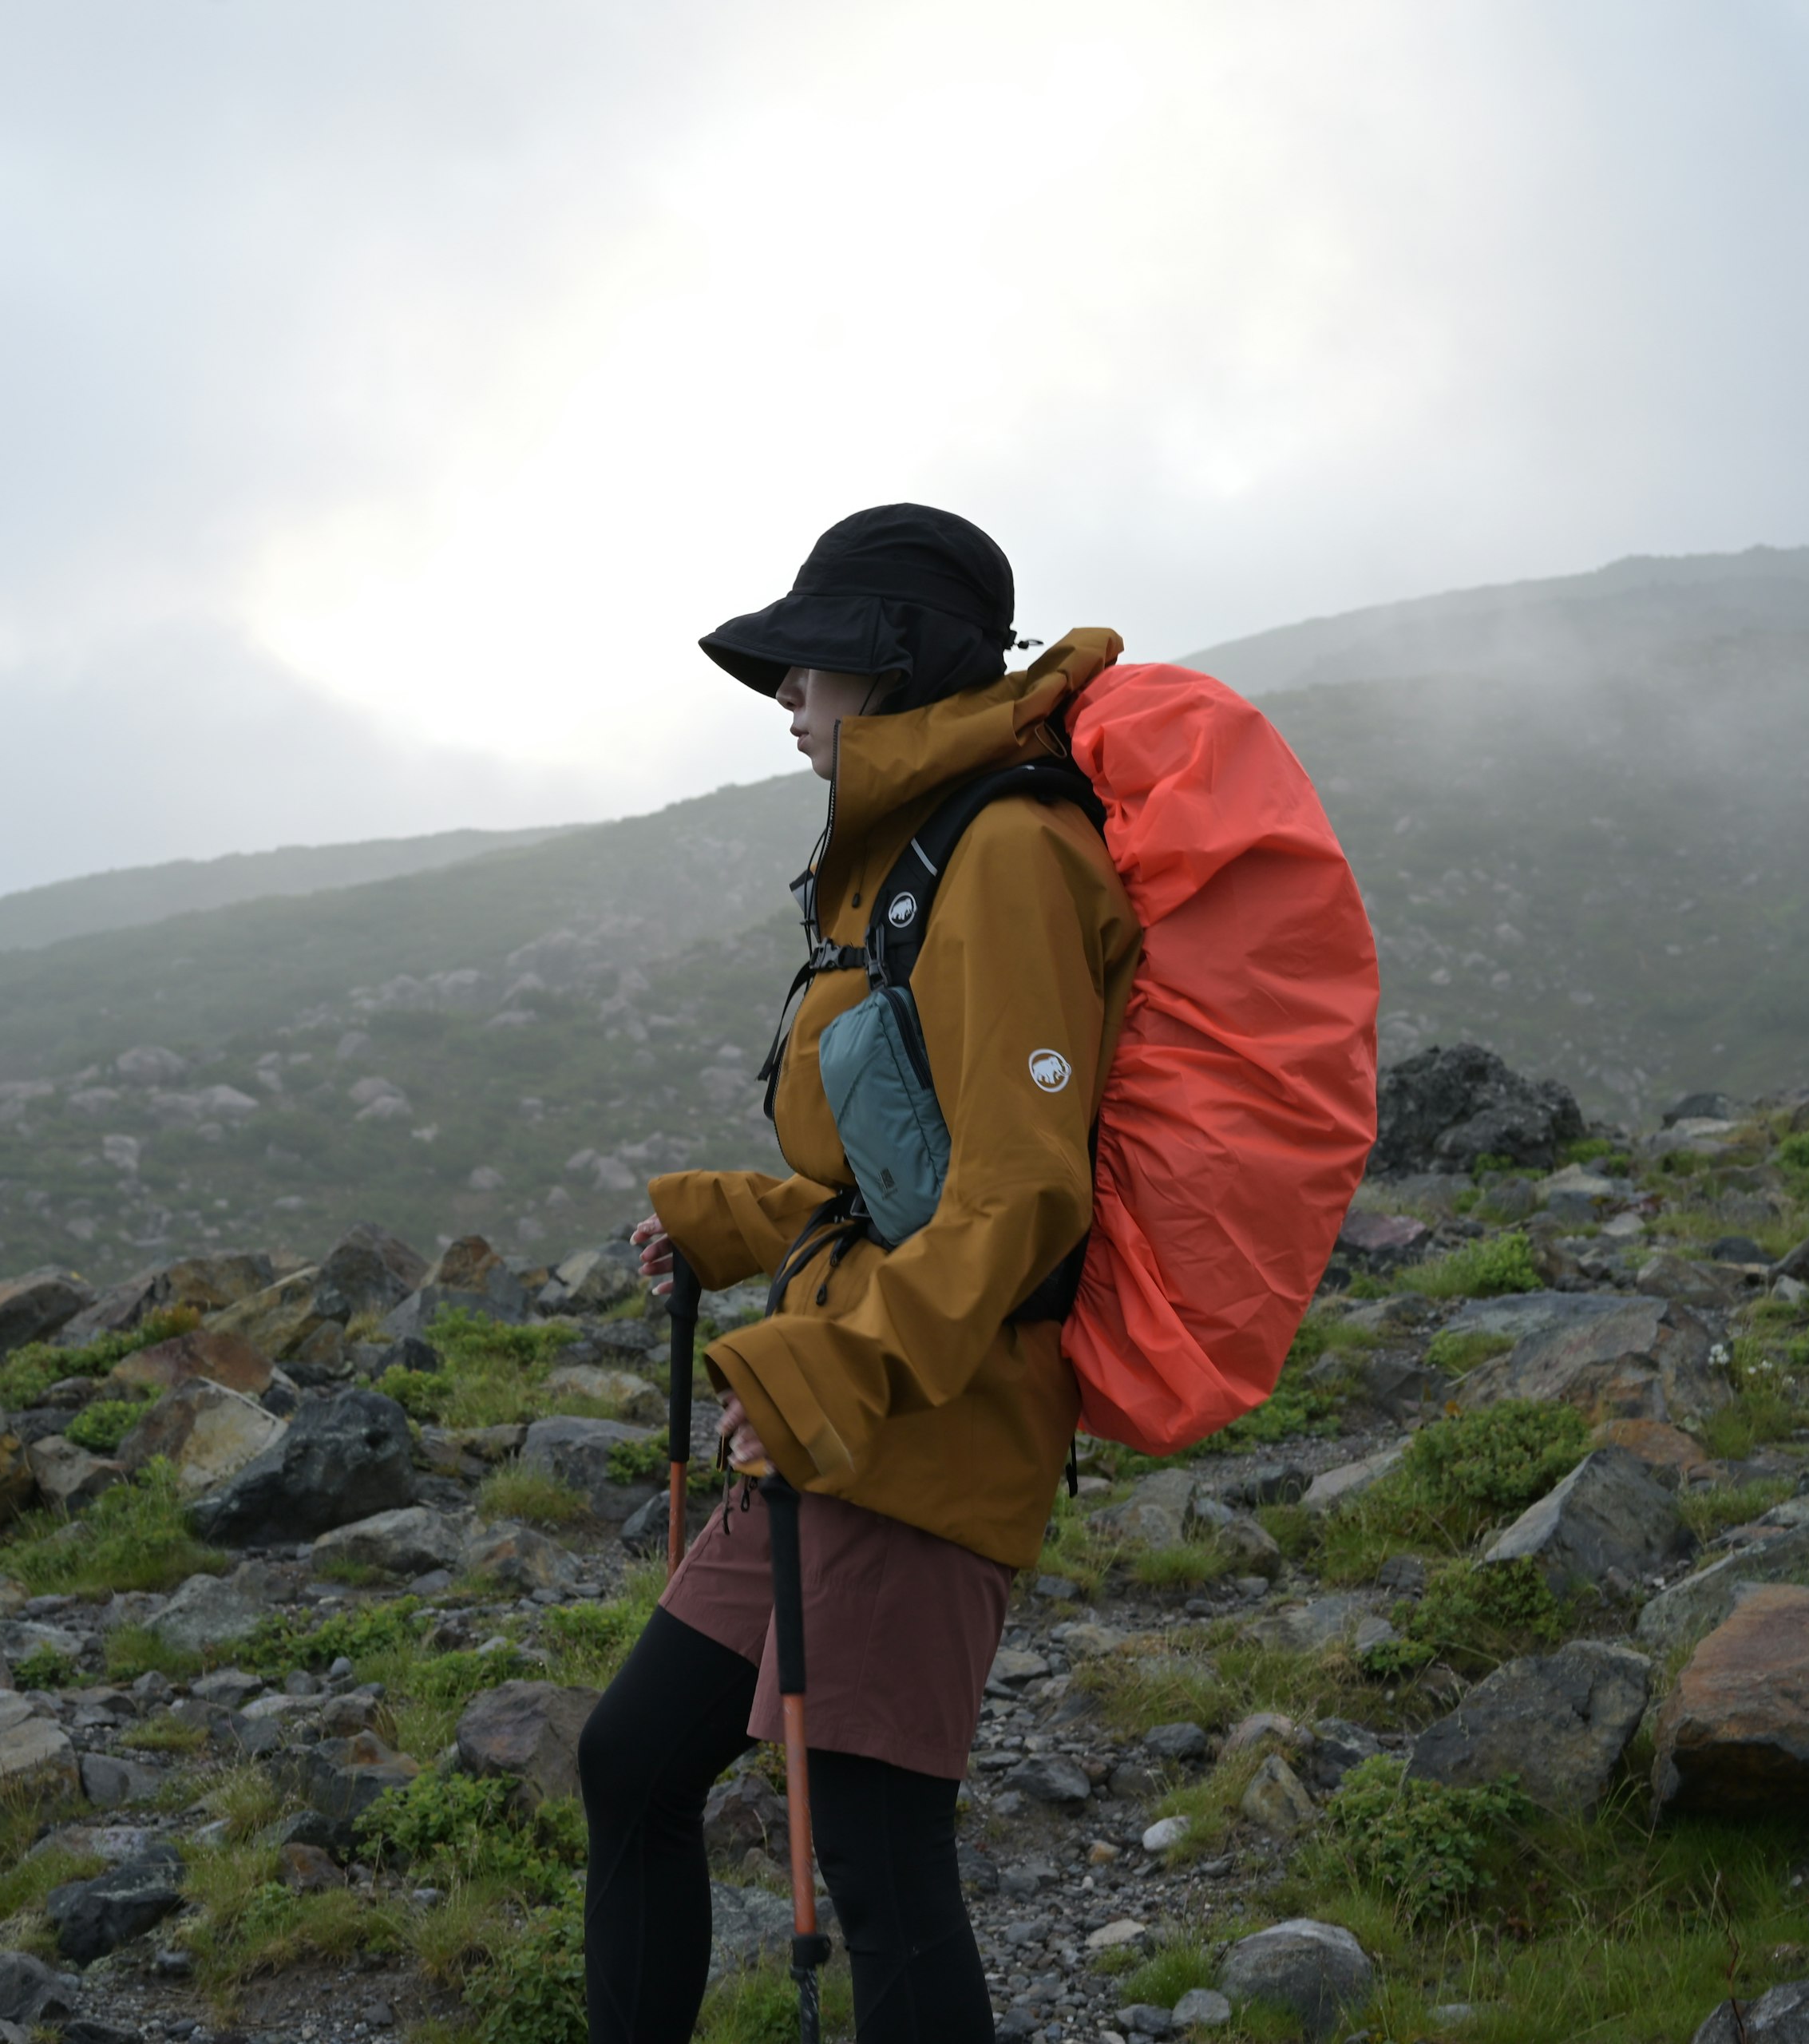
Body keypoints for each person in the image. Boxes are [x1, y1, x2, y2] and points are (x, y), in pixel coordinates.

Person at [576, 505, 1142, 2044]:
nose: (786, 701)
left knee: (881, 1864)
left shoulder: (1010, 854)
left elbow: (1020, 1198)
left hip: (928, 1416)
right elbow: (894, 1171)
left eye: (809, 667)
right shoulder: (907, 854)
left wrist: (825, 1371)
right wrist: (736, 1224)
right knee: (633, 1762)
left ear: (891, 664)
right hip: (836, 1407)